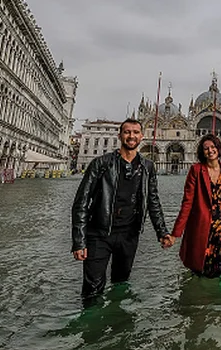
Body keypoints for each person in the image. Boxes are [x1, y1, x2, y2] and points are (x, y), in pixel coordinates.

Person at [71, 118, 172, 300]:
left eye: (135, 132)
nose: (131, 136)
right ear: (120, 136)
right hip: (99, 234)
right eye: (127, 132)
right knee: (92, 289)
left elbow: (153, 201)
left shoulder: (147, 167)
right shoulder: (101, 164)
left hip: (129, 235)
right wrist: (79, 240)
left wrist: (162, 232)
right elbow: (81, 202)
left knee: (121, 283)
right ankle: (92, 324)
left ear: (142, 136)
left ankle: (116, 323)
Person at [171, 134, 221, 280]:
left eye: (213, 147)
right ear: (201, 152)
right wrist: (176, 233)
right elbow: (187, 202)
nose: (210, 150)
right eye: (206, 148)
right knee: (205, 264)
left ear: (219, 148)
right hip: (203, 223)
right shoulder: (196, 170)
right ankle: (206, 298)